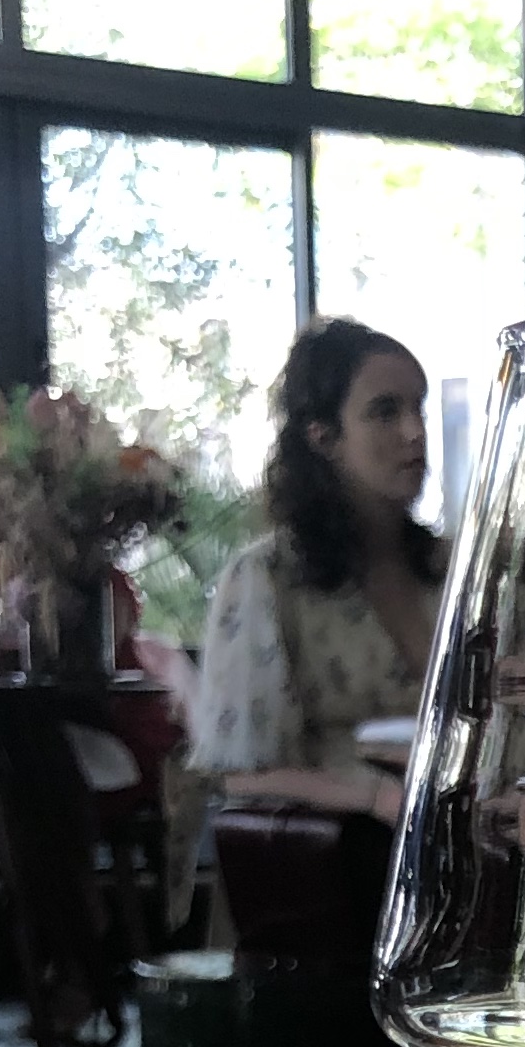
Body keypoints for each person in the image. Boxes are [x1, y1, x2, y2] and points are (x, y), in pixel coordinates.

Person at [188, 319, 443, 824]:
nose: (414, 432)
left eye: (419, 408)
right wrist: (376, 798)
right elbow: (234, 771)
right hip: (350, 852)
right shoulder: (267, 578)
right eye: (385, 412)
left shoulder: (454, 570)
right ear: (323, 437)